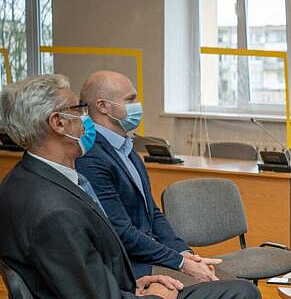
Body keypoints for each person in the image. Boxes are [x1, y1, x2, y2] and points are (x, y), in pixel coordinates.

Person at [0, 74, 259, 299]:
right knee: (240, 293)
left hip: (120, 286)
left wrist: (135, 285)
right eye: (78, 109)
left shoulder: (25, 179)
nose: (85, 117)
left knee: (239, 290)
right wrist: (155, 296)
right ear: (58, 122)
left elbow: (83, 277)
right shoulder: (55, 212)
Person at [76, 71, 244, 289]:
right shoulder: (91, 157)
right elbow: (121, 231)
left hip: (155, 256)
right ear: (102, 106)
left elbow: (152, 213)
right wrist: (180, 262)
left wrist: (184, 253)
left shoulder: (126, 148)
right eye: (130, 99)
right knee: (237, 290)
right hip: (132, 267)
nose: (138, 106)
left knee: (234, 285)